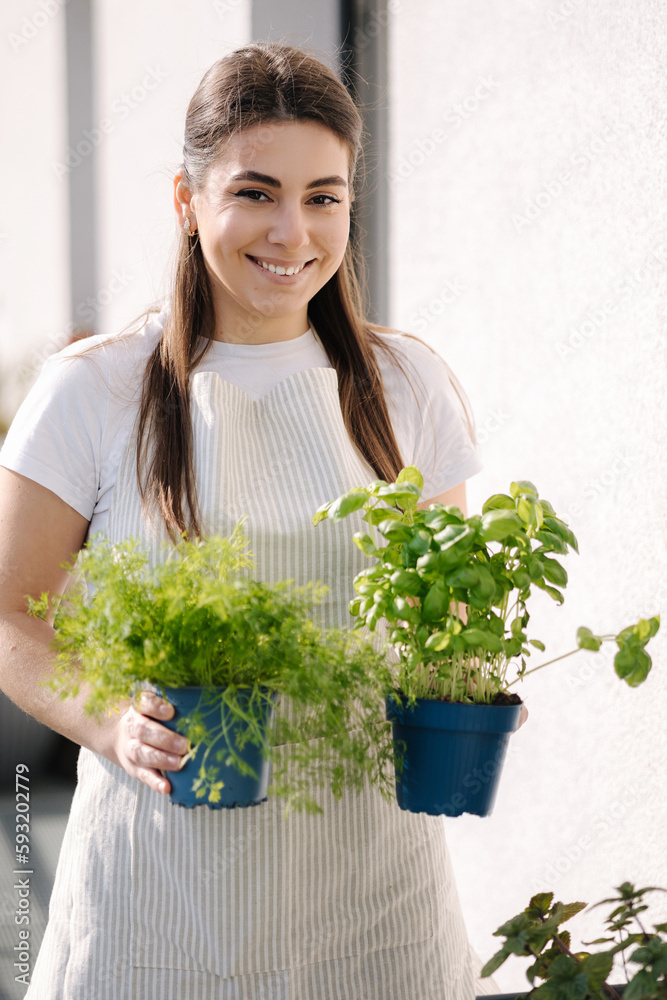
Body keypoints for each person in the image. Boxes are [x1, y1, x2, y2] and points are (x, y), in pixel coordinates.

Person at [0, 42, 493, 999]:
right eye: (256, 192)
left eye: (323, 196)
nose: (292, 230)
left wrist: (469, 691)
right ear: (187, 203)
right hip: (158, 887)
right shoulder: (95, 389)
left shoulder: (406, 385)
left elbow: (449, 615)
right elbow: (11, 613)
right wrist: (105, 722)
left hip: (374, 886)